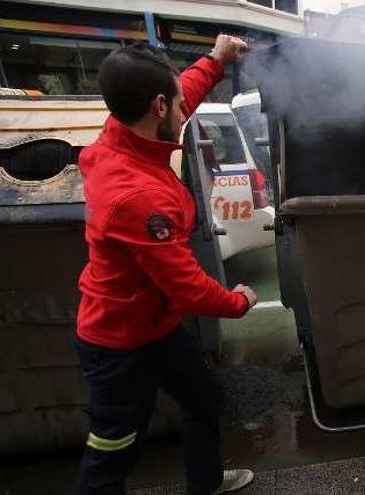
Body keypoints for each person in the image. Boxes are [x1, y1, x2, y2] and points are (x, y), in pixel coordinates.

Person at [74, 35, 258, 495]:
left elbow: (183, 94)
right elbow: (190, 290)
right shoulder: (138, 196)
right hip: (119, 345)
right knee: (113, 447)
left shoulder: (121, 136)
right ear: (158, 106)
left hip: (157, 329)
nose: (184, 110)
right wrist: (239, 301)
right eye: (177, 105)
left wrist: (214, 62)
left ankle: (206, 482)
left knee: (205, 400)